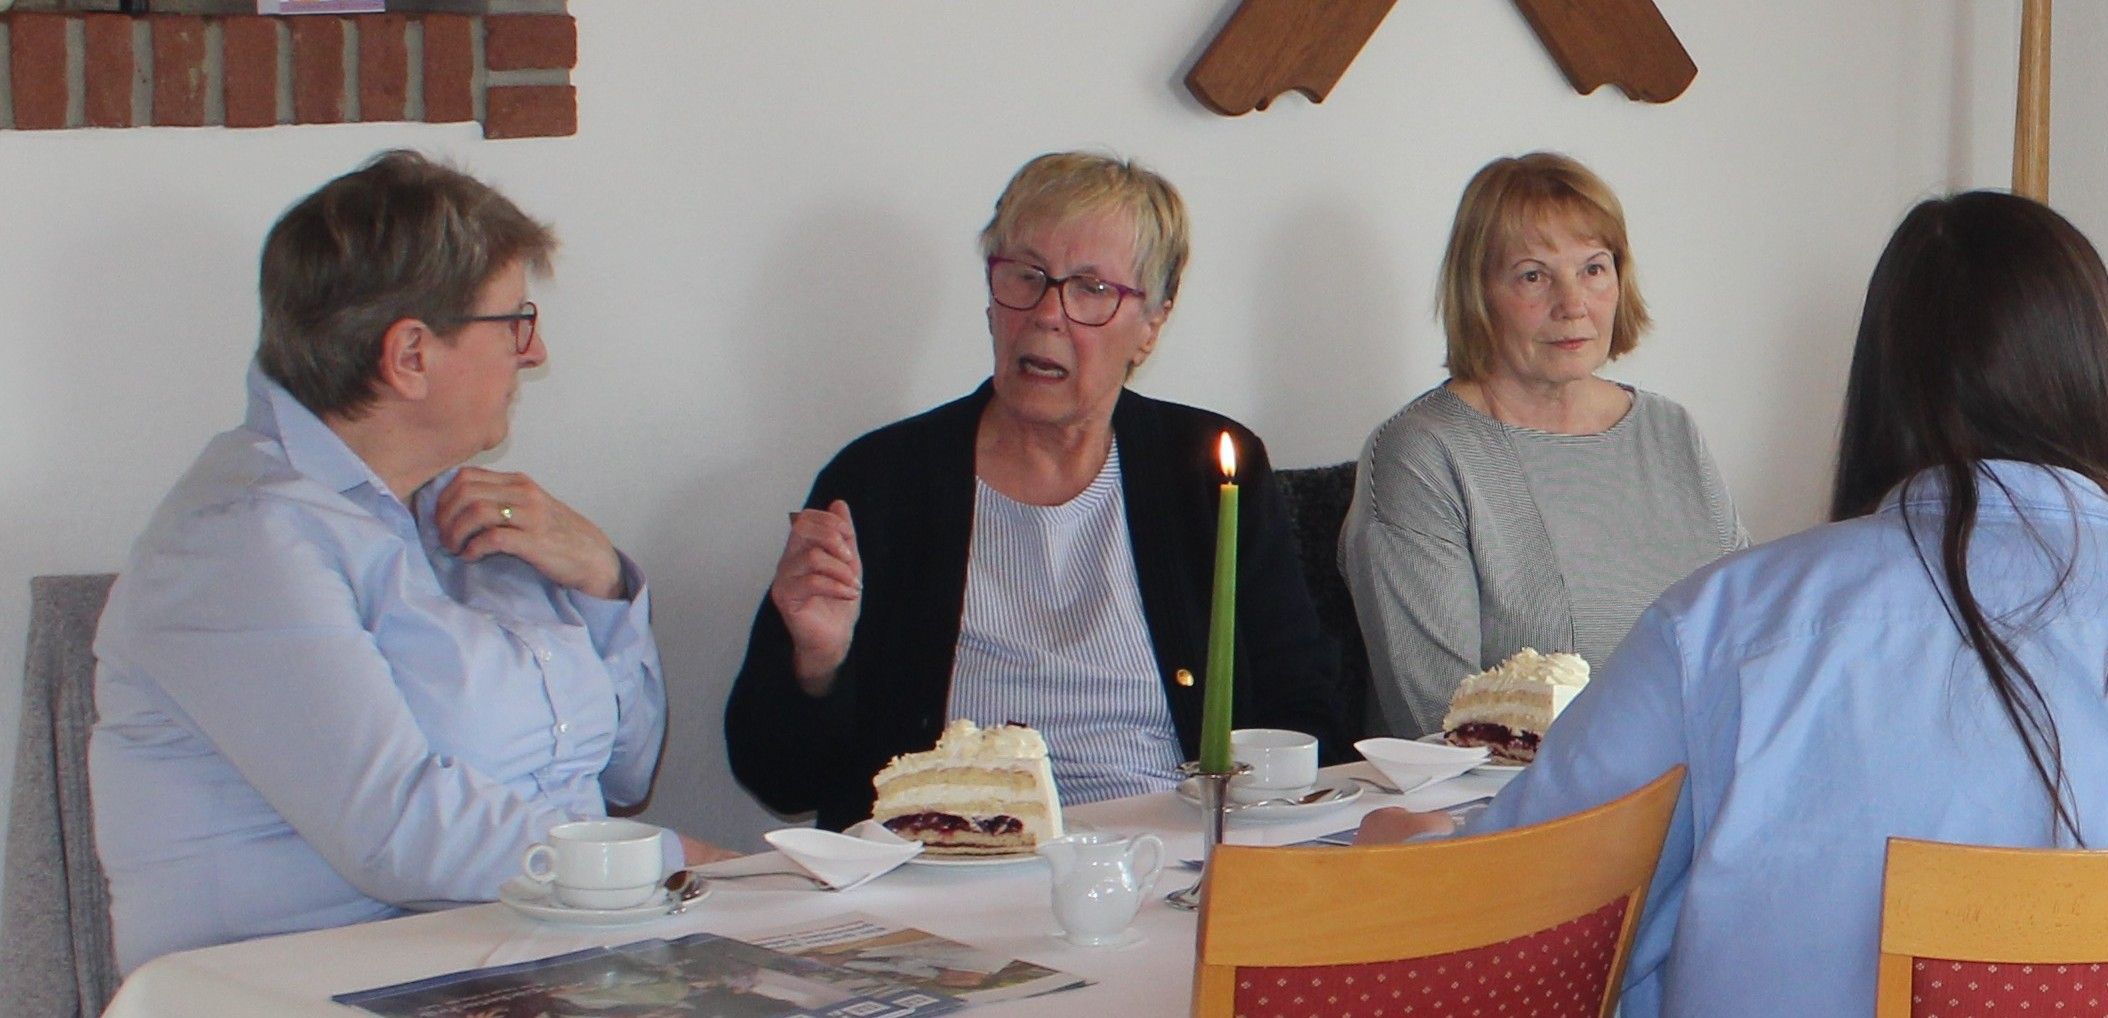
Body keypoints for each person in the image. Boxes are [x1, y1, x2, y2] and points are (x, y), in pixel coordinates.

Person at [1361, 191, 2108, 1015]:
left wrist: (1411, 847)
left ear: (1880, 381)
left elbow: (1520, 915)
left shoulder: (1721, 627)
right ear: (2097, 377)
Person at [88, 151, 725, 971]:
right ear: (411, 355)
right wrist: (679, 864)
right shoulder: (240, 541)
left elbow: (621, 773)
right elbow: (399, 832)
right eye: (514, 322)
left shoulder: (468, 510)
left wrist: (601, 578)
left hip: (540, 961)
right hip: (313, 981)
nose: (534, 353)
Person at [726, 152, 1343, 823]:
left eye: (1091, 289)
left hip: (1165, 842)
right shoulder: (880, 481)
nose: (1048, 314)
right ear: (992, 300)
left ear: (1151, 324)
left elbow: (1305, 712)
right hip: (953, 854)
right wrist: (816, 665)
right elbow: (778, 777)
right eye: (1026, 277)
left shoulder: (1209, 470)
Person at [1343, 152, 1744, 738]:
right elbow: (1442, 721)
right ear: (1478, 292)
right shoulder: (1422, 454)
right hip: (1524, 791)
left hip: (1701, 771)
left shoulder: (1671, 430)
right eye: (1533, 276)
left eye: (1594, 269)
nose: (1572, 304)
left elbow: (1745, 632)